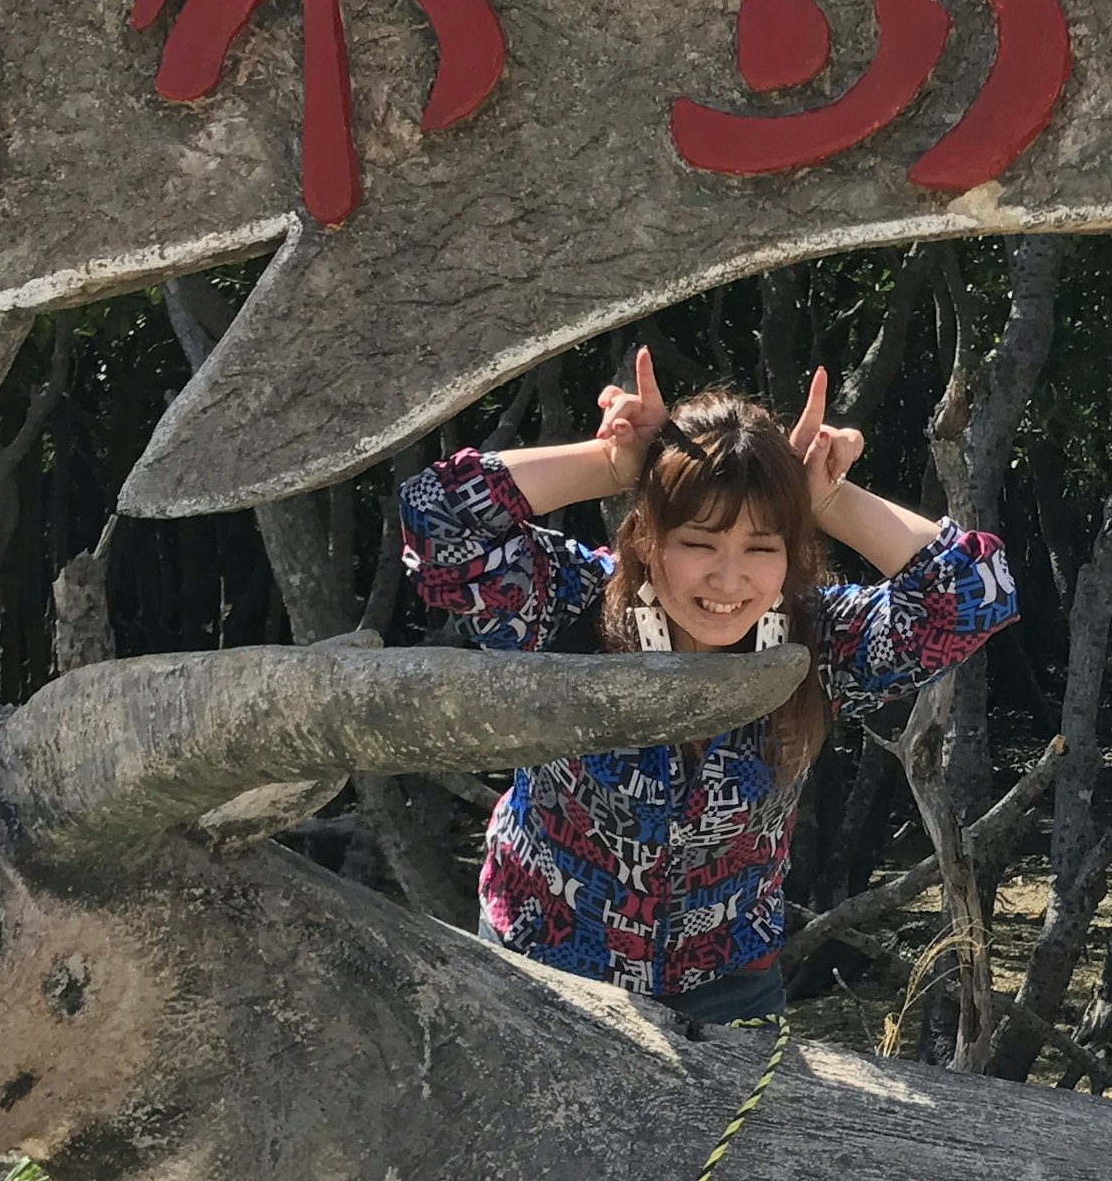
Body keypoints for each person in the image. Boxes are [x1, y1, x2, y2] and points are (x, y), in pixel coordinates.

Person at [396, 352, 1017, 1027]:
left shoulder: (815, 640)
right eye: (699, 541)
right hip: (541, 965)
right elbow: (437, 518)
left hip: (723, 990)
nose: (729, 580)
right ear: (647, 535)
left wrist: (831, 498)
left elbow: (975, 593)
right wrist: (611, 465)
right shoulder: (570, 605)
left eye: (761, 546)